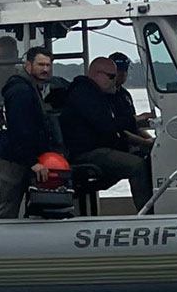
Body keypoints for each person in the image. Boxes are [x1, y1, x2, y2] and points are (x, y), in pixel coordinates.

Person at [60, 57, 149, 210]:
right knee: (137, 166)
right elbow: (106, 125)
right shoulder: (84, 94)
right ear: (97, 74)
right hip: (86, 151)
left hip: (101, 147)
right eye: (111, 77)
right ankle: (148, 214)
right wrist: (135, 120)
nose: (115, 81)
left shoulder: (100, 94)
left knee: (148, 158)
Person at [0, 45, 57, 219]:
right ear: (28, 65)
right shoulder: (20, 90)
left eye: (48, 65)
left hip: (23, 156)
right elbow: (19, 129)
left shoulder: (31, 87)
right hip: (13, 159)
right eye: (40, 65)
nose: (45, 69)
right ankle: (1, 240)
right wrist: (32, 162)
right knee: (8, 205)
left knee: (24, 202)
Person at [108, 51, 155, 154]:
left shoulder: (125, 95)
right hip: (115, 144)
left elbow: (133, 126)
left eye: (125, 69)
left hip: (131, 142)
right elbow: (116, 129)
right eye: (118, 69)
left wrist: (154, 141)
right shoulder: (103, 96)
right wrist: (145, 142)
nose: (122, 73)